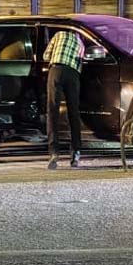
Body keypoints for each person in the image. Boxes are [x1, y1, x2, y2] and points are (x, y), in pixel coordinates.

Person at [44, 29, 85, 170]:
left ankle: (54, 153)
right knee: (73, 113)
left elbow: (46, 55)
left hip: (56, 70)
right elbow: (81, 62)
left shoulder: (59, 34)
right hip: (73, 74)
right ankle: (75, 154)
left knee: (52, 110)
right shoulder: (81, 43)